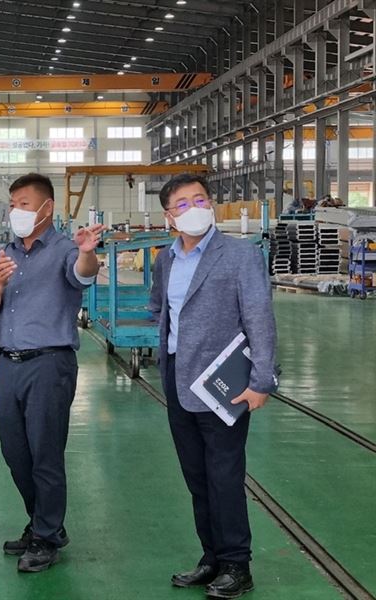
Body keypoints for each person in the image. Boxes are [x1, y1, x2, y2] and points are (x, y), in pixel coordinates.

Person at [149, 174, 278, 599]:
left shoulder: (240, 255)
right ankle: (211, 558)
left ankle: (237, 564)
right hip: (177, 379)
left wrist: (261, 380)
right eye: (183, 204)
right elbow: (159, 307)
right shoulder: (166, 260)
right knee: (197, 476)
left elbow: (259, 318)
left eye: (200, 200)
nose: (195, 209)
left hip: (224, 385)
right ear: (169, 216)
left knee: (224, 475)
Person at [0, 173, 103, 573]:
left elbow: (83, 274)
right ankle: (43, 522)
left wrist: (87, 252)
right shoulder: (5, 254)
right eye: (13, 204)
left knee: (45, 454)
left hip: (49, 363)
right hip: (9, 366)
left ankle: (46, 536)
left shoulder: (65, 249)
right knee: (16, 453)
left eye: (25, 204)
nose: (16, 211)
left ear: (47, 208)